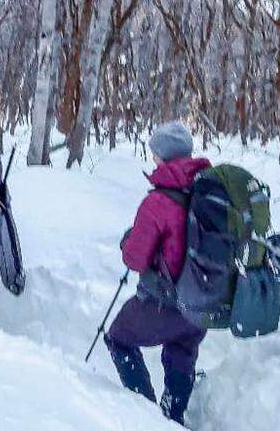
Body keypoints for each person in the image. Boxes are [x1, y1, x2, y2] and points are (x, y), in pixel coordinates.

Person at [105, 121, 212, 426]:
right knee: (181, 351)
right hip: (203, 299)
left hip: (166, 302)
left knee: (118, 338)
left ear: (162, 155)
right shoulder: (204, 188)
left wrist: (130, 240)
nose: (152, 157)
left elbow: (135, 259)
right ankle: (173, 416)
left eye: (154, 152)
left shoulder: (158, 201)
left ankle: (147, 415)